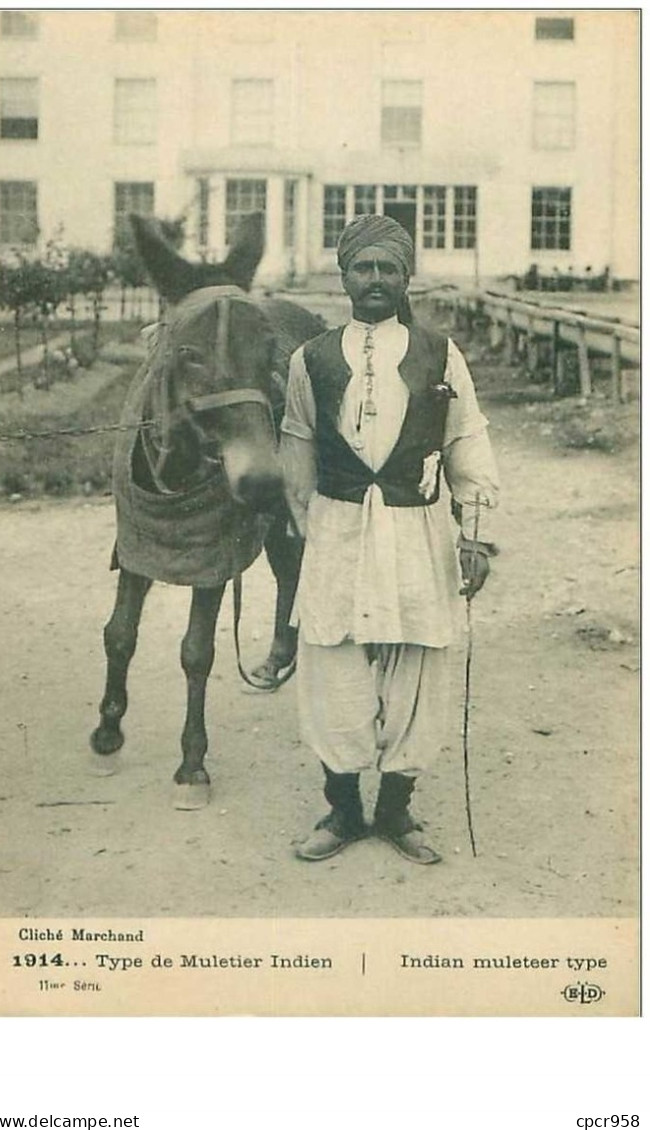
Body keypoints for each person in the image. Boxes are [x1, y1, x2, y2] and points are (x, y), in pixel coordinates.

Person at [280, 214, 499, 865]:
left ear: (406, 275)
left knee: (418, 665)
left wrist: (475, 537)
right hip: (339, 531)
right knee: (334, 664)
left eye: (387, 268)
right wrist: (302, 530)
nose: (374, 280)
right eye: (362, 267)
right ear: (344, 275)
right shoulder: (310, 358)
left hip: (417, 532)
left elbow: (466, 439)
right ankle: (343, 811)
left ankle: (397, 811)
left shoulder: (440, 352)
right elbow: (296, 447)